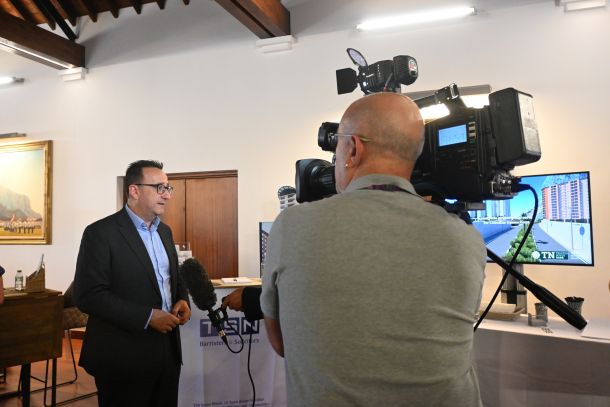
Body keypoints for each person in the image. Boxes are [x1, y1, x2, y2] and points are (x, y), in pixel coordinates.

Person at [259, 92, 487, 406]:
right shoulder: (467, 238)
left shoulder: (291, 225)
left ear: (354, 149)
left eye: (337, 147)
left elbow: (283, 342)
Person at [74, 160, 191, 407]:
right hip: (122, 358)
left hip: (167, 354)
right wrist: (148, 317)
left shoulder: (165, 232)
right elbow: (88, 295)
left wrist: (182, 298)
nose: (167, 195)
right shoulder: (100, 233)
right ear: (134, 190)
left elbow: (172, 276)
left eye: (168, 188)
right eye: (159, 188)